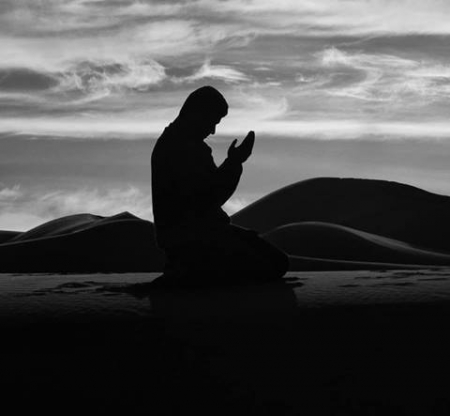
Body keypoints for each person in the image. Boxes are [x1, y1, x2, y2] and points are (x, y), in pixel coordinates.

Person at [151, 86, 288, 286]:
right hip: (192, 242)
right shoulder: (180, 148)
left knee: (273, 260)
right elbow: (209, 198)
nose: (213, 130)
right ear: (199, 114)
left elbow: (209, 194)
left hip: (199, 236)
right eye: (213, 121)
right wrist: (234, 162)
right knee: (274, 264)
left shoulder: (183, 145)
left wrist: (234, 162)